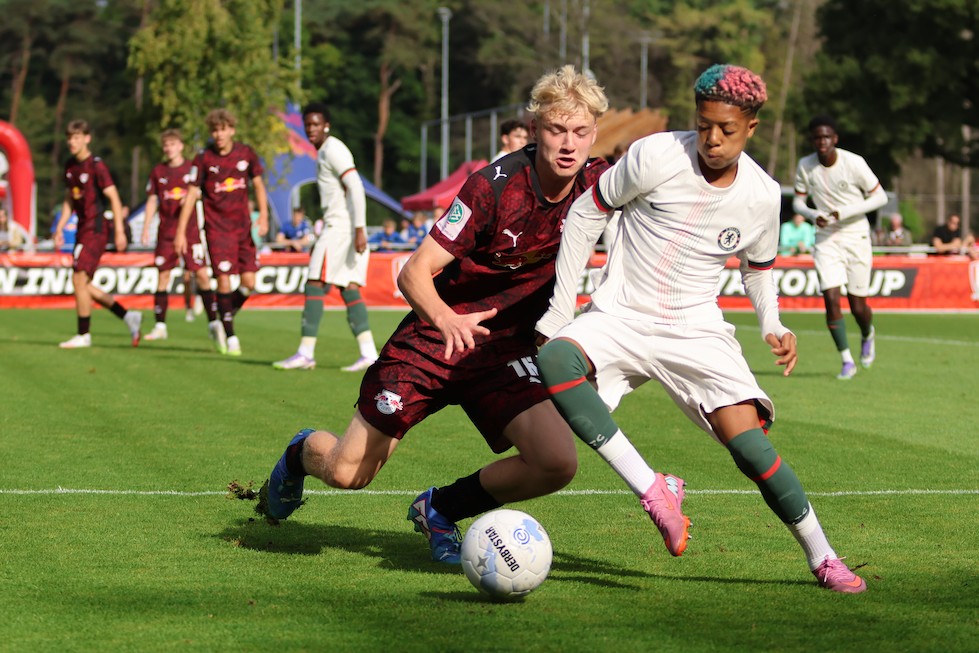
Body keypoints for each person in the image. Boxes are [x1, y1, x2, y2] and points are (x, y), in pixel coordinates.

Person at [255, 65, 609, 566]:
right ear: (534, 130)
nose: (568, 144)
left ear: (595, 134)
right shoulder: (494, 186)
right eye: (556, 130)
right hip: (433, 338)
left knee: (555, 462)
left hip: (503, 349)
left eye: (580, 132)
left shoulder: (600, 183)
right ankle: (299, 452)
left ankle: (440, 507)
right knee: (348, 473)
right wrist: (447, 321)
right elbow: (413, 273)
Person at [535, 64, 867, 594]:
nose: (712, 139)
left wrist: (772, 324)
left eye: (727, 130)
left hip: (696, 330)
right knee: (553, 358)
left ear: (752, 127)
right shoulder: (654, 154)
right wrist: (559, 310)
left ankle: (824, 557)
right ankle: (654, 490)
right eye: (704, 123)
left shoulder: (761, 194)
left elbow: (757, 269)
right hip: (621, 316)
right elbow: (584, 214)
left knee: (752, 451)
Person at [271, 102, 380, 372]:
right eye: (308, 124)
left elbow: (356, 185)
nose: (311, 129)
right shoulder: (325, 151)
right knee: (348, 287)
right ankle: (369, 353)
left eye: (316, 124)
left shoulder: (333, 149)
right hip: (342, 227)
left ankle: (305, 353)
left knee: (314, 283)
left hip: (340, 228)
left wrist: (358, 228)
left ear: (327, 125)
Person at [793, 115, 888, 380]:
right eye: (816, 137)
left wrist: (844, 212)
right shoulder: (805, 165)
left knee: (858, 306)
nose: (821, 142)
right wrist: (813, 215)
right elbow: (799, 203)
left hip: (856, 236)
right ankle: (846, 360)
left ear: (835, 139)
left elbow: (880, 196)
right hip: (825, 237)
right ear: (812, 139)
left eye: (826, 137)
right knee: (831, 299)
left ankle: (868, 333)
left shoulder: (853, 162)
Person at [175, 109, 268, 357]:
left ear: (232, 130)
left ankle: (220, 317)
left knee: (249, 283)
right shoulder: (203, 158)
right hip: (217, 231)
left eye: (223, 129)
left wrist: (264, 216)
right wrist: (181, 231)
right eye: (215, 130)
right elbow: (191, 194)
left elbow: (258, 185)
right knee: (224, 281)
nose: (219, 134)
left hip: (243, 229)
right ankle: (231, 336)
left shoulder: (246, 154)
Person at [54, 120, 142, 349]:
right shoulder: (70, 166)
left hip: (97, 228)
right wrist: (60, 227)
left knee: (78, 278)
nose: (72, 142)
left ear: (87, 138)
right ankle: (127, 315)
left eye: (77, 137)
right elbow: (68, 200)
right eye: (70, 138)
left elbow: (113, 197)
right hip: (83, 229)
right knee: (83, 284)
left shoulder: (96, 166)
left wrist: (120, 230)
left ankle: (83, 335)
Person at [141, 128, 221, 342]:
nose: (169, 148)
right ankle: (160, 325)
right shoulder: (158, 171)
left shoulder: (191, 169)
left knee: (202, 275)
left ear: (181, 146)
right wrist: (146, 226)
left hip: (191, 232)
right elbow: (151, 200)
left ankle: (214, 322)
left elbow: (204, 193)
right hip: (166, 233)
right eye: (166, 145)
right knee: (163, 276)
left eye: (173, 144)